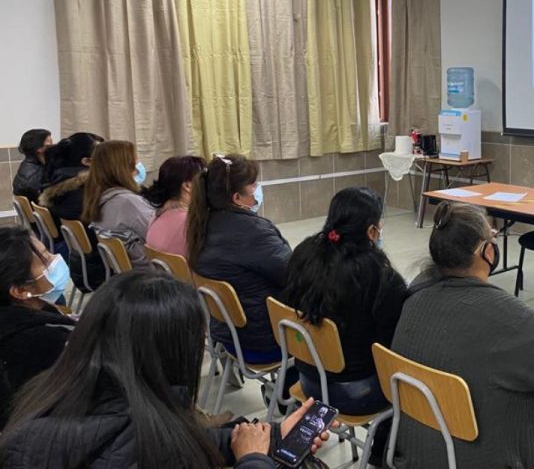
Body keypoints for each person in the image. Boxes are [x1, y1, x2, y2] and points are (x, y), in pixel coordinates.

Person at [0, 271, 332, 468]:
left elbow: (163, 437)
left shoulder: (54, 394)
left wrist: (270, 437)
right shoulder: (133, 444)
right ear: (170, 356)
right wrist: (253, 460)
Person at [390, 202, 534, 469]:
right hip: (484, 455)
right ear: (486, 251)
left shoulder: (414, 295)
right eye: (492, 235)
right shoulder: (510, 315)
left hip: (417, 450)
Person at [281, 187, 406, 466]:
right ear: (372, 231)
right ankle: (381, 455)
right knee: (404, 382)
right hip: (355, 393)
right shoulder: (379, 276)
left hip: (308, 375)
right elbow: (393, 346)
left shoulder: (304, 254)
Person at [188, 155, 290, 363]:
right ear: (236, 198)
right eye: (253, 185)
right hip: (263, 341)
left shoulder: (201, 222)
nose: (257, 189)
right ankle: (289, 388)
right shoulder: (254, 232)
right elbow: (295, 275)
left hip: (227, 334)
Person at [0, 227, 75, 428]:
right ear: (20, 291)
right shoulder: (45, 342)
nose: (55, 259)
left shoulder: (31, 317)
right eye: (45, 260)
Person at [38, 132, 106, 290]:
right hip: (99, 267)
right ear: (87, 161)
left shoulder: (59, 182)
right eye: (101, 154)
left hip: (80, 263)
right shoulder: (85, 193)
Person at [82, 140, 155, 271]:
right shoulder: (128, 202)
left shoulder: (98, 196)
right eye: (135, 159)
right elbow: (158, 236)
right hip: (151, 273)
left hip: (128, 273)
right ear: (124, 166)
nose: (138, 163)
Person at [145, 156, 207, 259]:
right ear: (188, 186)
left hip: (162, 274)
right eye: (204, 180)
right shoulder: (192, 222)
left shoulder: (156, 217)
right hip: (186, 275)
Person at [12, 129, 52, 203]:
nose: (53, 148)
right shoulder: (36, 174)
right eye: (49, 145)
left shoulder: (26, 166)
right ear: (39, 149)